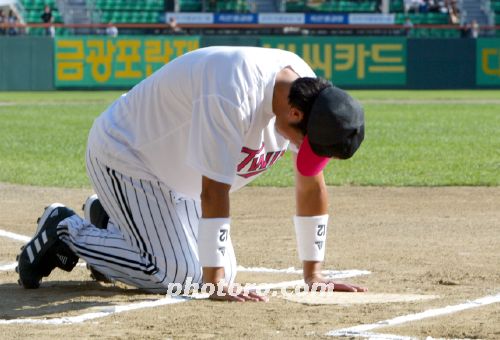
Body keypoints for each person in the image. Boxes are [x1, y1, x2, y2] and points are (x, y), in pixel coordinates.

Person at [16, 46, 366, 302]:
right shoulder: (234, 91)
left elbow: (310, 183)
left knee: (220, 272)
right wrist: (214, 284)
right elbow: (214, 191)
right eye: (307, 143)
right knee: (174, 275)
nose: (305, 150)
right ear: (293, 113)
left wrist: (313, 273)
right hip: (127, 156)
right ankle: (64, 228)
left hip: (177, 175)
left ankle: (112, 220)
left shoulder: (307, 93)